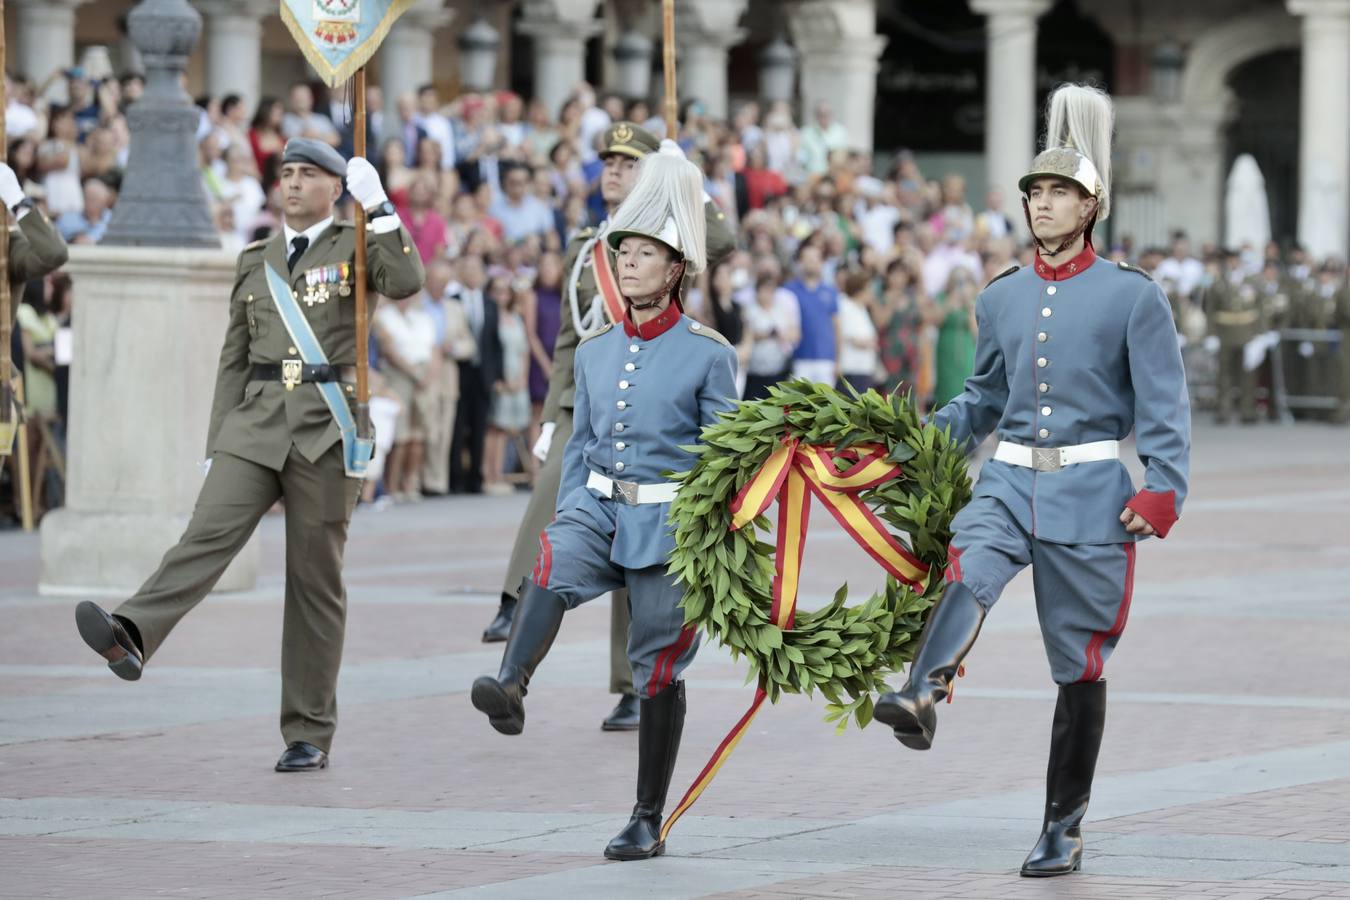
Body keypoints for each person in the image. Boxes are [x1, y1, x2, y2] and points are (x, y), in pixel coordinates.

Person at [873, 84, 1190, 878]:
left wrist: (1163, 487)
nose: (1043, 205)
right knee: (969, 562)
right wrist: (912, 441)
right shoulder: (1001, 295)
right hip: (1009, 478)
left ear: (1091, 207)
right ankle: (922, 690)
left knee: (1077, 664)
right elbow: (982, 397)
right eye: (1035, 192)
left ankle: (1064, 826)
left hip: (1091, 493)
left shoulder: (1132, 295)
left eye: (1060, 194)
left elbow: (1163, 402)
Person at [73, 138, 425, 773]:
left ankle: (308, 730)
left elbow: (407, 281)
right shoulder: (255, 258)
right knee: (204, 535)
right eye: (285, 174)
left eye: (306, 175)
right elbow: (232, 358)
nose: (291, 185)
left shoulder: (358, 243)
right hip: (255, 422)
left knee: (314, 582)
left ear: (333, 187)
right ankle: (132, 633)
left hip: (325, 425)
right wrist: (215, 443)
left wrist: (381, 208)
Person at [471, 142, 738, 861]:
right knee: (553, 557)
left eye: (644, 252)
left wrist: (710, 538)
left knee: (656, 667)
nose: (626, 260)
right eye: (623, 249)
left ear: (675, 268)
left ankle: (647, 815)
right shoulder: (592, 353)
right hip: (600, 502)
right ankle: (511, 684)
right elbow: (586, 446)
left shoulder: (710, 353)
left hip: (670, 519)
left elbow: (722, 459)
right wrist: (574, 503)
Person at [448, 253, 501, 494]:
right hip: (459, 372)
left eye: (476, 268)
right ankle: (454, 478)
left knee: (480, 426)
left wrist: (497, 375)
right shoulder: (453, 300)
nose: (471, 273)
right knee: (457, 426)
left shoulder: (490, 303)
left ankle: (476, 478)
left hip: (484, 374)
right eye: (467, 268)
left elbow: (495, 342)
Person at [483, 277, 532, 494]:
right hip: (501, 378)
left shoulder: (516, 317)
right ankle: (489, 475)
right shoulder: (490, 318)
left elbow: (524, 351)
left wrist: (522, 377)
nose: (502, 296)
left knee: (508, 428)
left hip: (517, 378)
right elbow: (490, 350)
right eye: (498, 292)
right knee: (495, 428)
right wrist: (498, 379)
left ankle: (500, 474)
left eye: (505, 292)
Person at [785, 241, 841, 386]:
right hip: (799, 358)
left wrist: (838, 360)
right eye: (807, 259)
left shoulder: (830, 291)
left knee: (825, 405)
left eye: (815, 259)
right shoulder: (789, 290)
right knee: (796, 405)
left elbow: (837, 326)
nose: (811, 263)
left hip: (825, 359)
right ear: (800, 262)